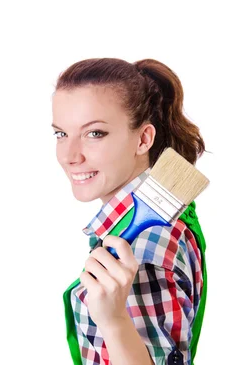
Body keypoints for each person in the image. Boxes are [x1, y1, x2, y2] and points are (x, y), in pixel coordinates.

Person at [52, 58, 207, 365]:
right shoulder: (132, 228)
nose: (70, 155)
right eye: (60, 134)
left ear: (143, 139)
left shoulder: (148, 244)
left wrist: (114, 322)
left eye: (94, 133)